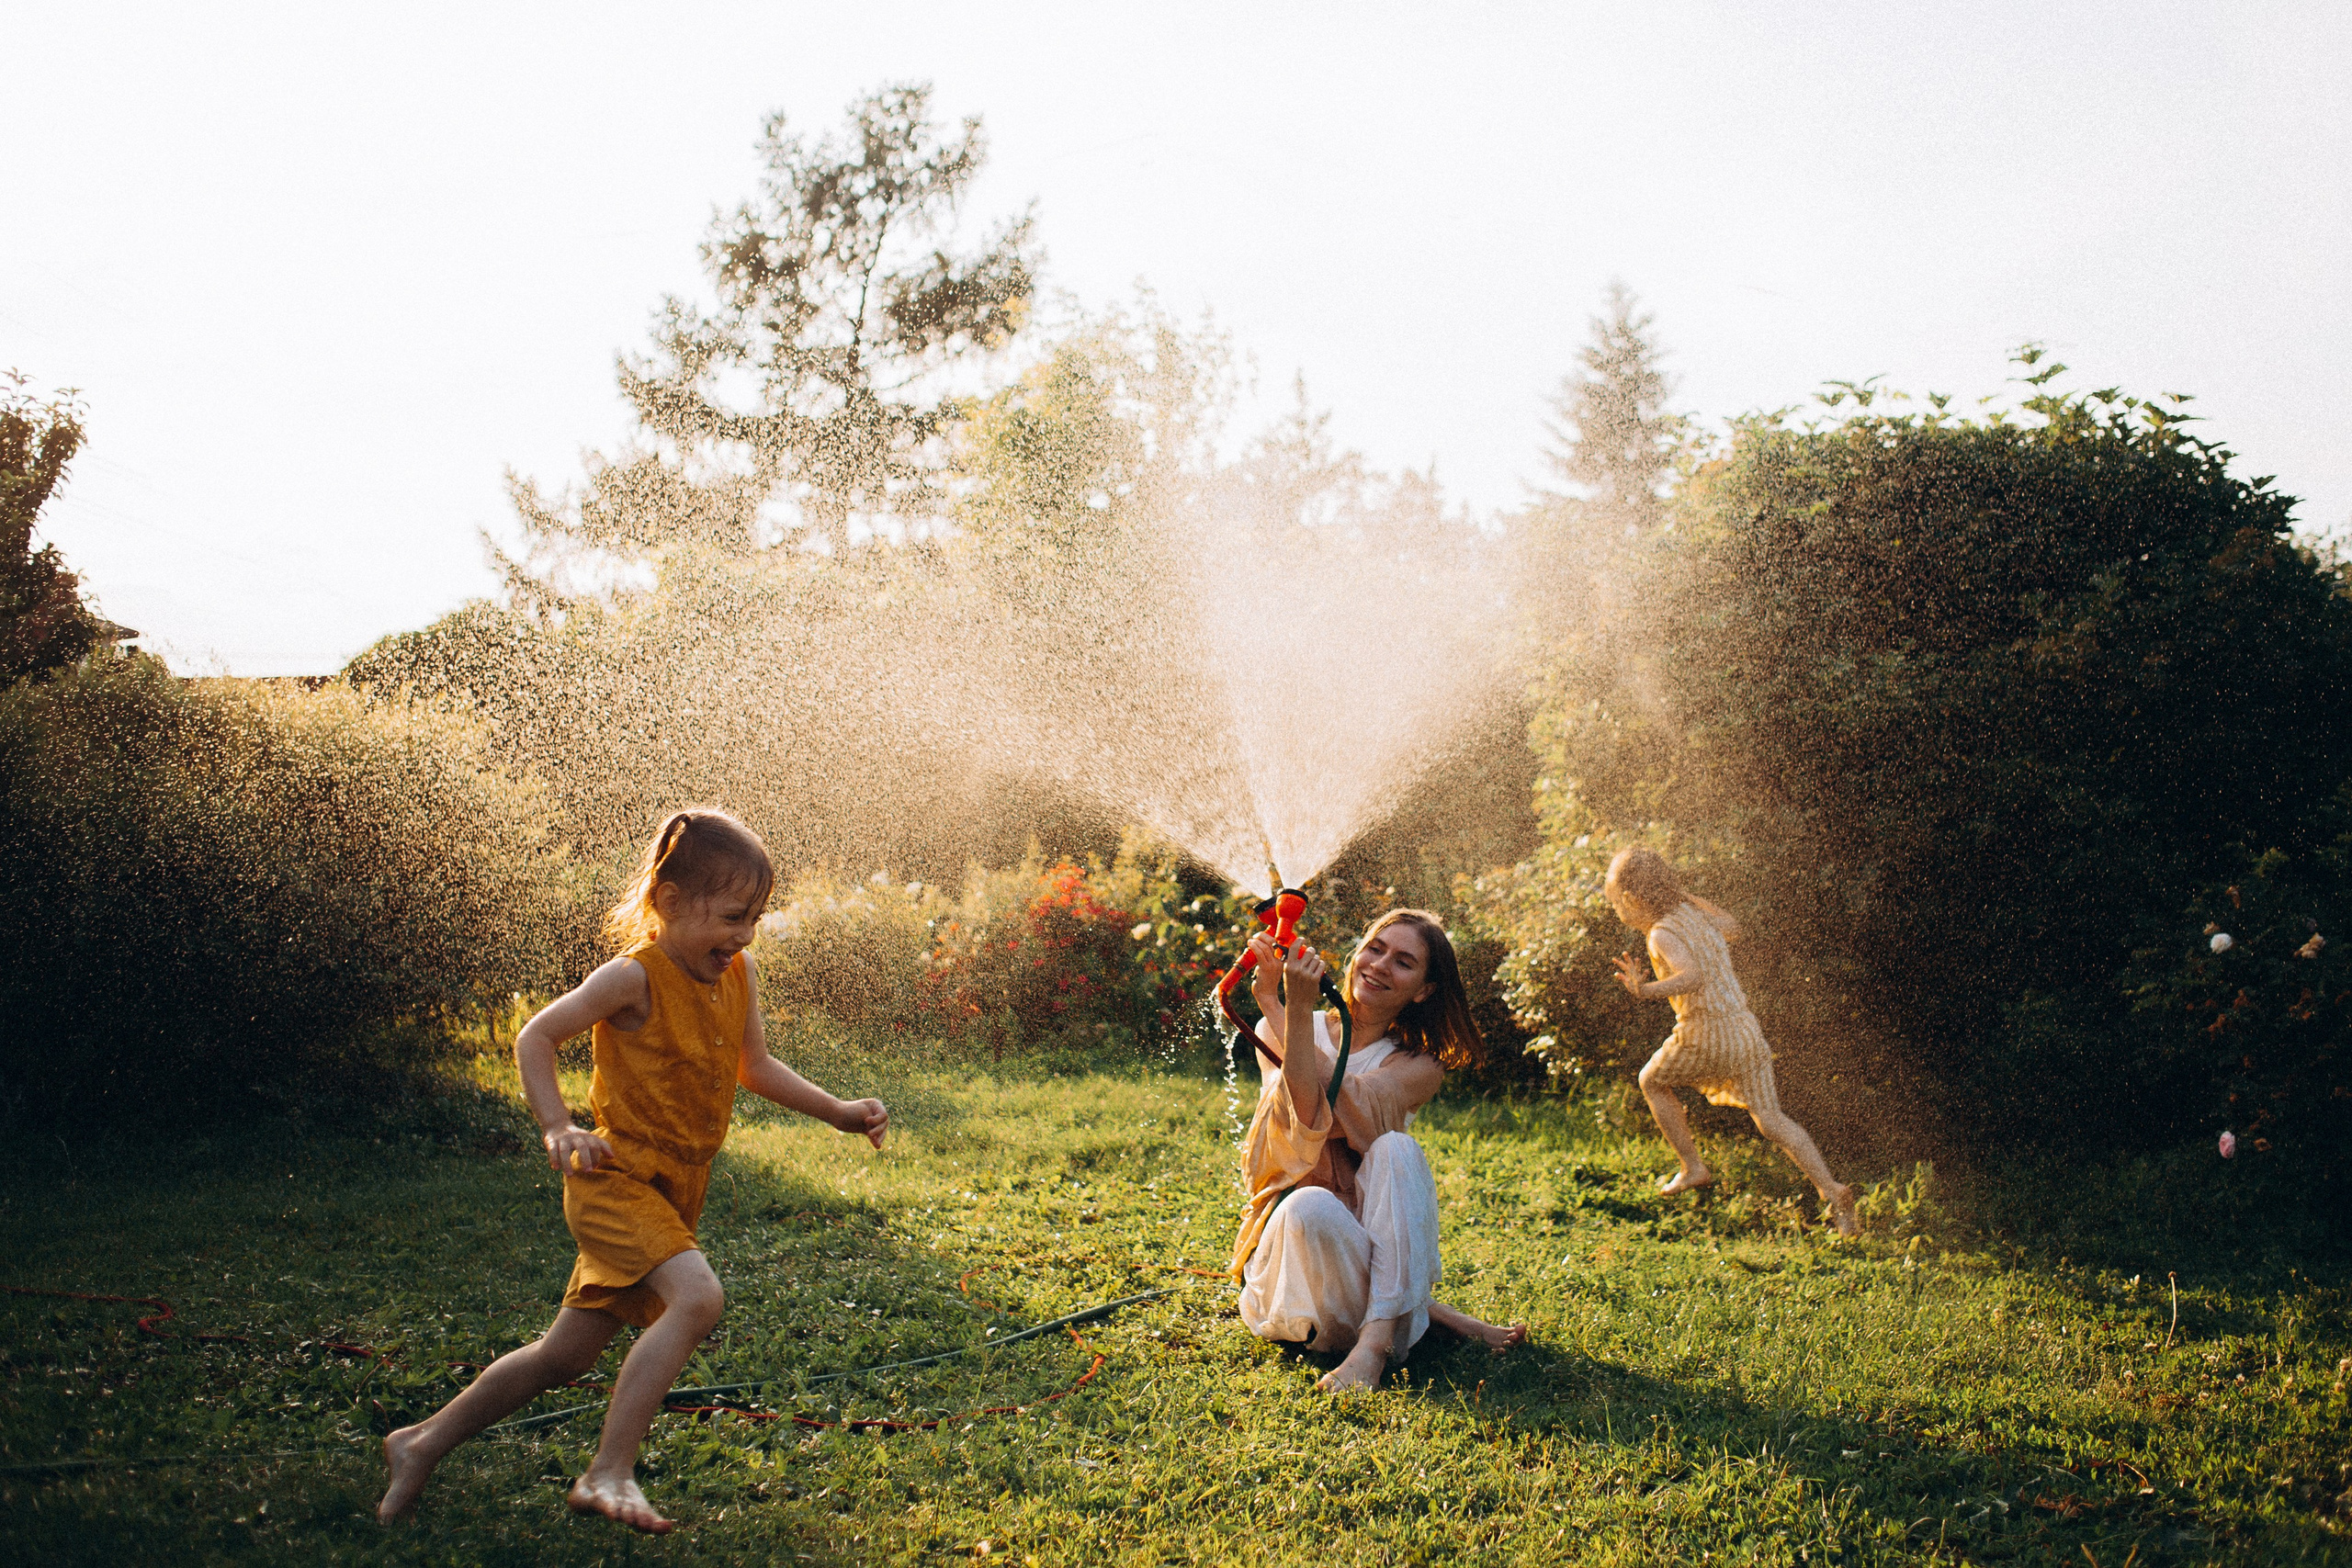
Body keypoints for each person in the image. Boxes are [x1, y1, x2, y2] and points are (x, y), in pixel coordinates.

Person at [378, 809, 888, 1533]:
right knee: (697, 1297)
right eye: (734, 915)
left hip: (672, 1191)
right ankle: (608, 1469)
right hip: (613, 1180)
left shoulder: (735, 972)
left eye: (757, 917)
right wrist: (559, 1125)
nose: (745, 934)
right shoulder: (631, 977)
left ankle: (419, 1441)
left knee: (564, 1355)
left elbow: (756, 1066)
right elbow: (538, 1035)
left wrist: (837, 1110)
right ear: (672, 901)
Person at [1228, 908, 1527, 1393]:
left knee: (1395, 1150)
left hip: (1370, 1281)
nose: (1381, 965)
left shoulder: (1420, 1065)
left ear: (1424, 990)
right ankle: (1432, 1314)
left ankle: (1374, 1347)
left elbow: (1352, 1107)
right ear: (1355, 955)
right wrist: (1278, 1003)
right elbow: (1303, 1115)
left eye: (1404, 962)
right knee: (1312, 1205)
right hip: (1298, 1268)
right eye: (1375, 948)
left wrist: (1285, 1008)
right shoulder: (1272, 1028)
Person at [1604, 845, 1858, 1236]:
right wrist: (1686, 896)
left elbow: (1692, 978)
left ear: (1635, 900)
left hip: (1708, 1032)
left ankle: (1693, 1166)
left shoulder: (1661, 933)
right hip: (1745, 1030)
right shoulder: (1692, 914)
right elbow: (1733, 926)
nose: (1617, 913)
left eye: (1616, 905)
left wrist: (1645, 991)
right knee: (1772, 1120)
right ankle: (1832, 1190)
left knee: (1651, 1081)